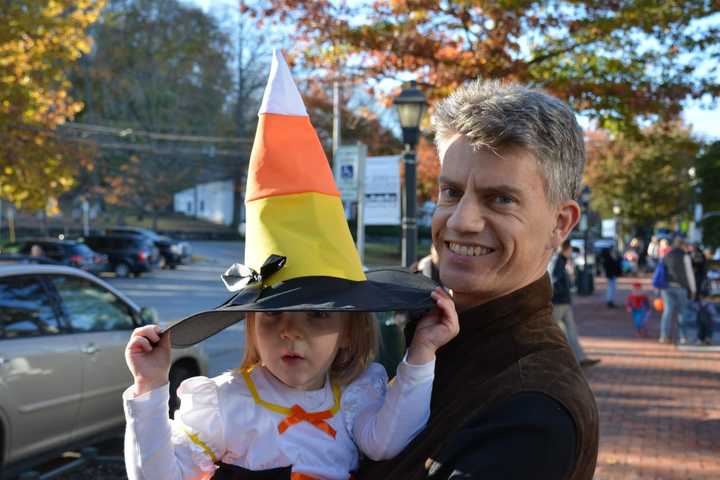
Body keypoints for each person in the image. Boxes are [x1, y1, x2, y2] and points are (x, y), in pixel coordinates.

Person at [122, 50, 459, 480]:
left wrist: (421, 355)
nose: (290, 331)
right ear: (250, 324)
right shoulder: (226, 403)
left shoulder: (353, 398)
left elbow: (389, 439)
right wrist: (151, 389)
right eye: (272, 313)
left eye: (318, 314)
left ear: (346, 331)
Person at [360, 80, 599, 479]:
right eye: (451, 192)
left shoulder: (533, 411)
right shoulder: (433, 334)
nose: (460, 221)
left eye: (500, 199)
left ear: (560, 224)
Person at [551, 240, 600, 366]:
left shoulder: (561, 261)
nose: (572, 252)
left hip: (564, 301)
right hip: (559, 301)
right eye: (571, 250)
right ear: (565, 249)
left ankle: (579, 358)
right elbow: (555, 281)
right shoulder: (558, 261)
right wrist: (562, 291)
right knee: (551, 330)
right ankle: (559, 359)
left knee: (571, 330)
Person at [659, 237, 696, 344]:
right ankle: (683, 337)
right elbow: (689, 274)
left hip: (667, 287)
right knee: (682, 312)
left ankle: (664, 336)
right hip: (681, 287)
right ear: (682, 245)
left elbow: (661, 272)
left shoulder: (666, 255)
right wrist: (693, 289)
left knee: (667, 312)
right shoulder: (685, 256)